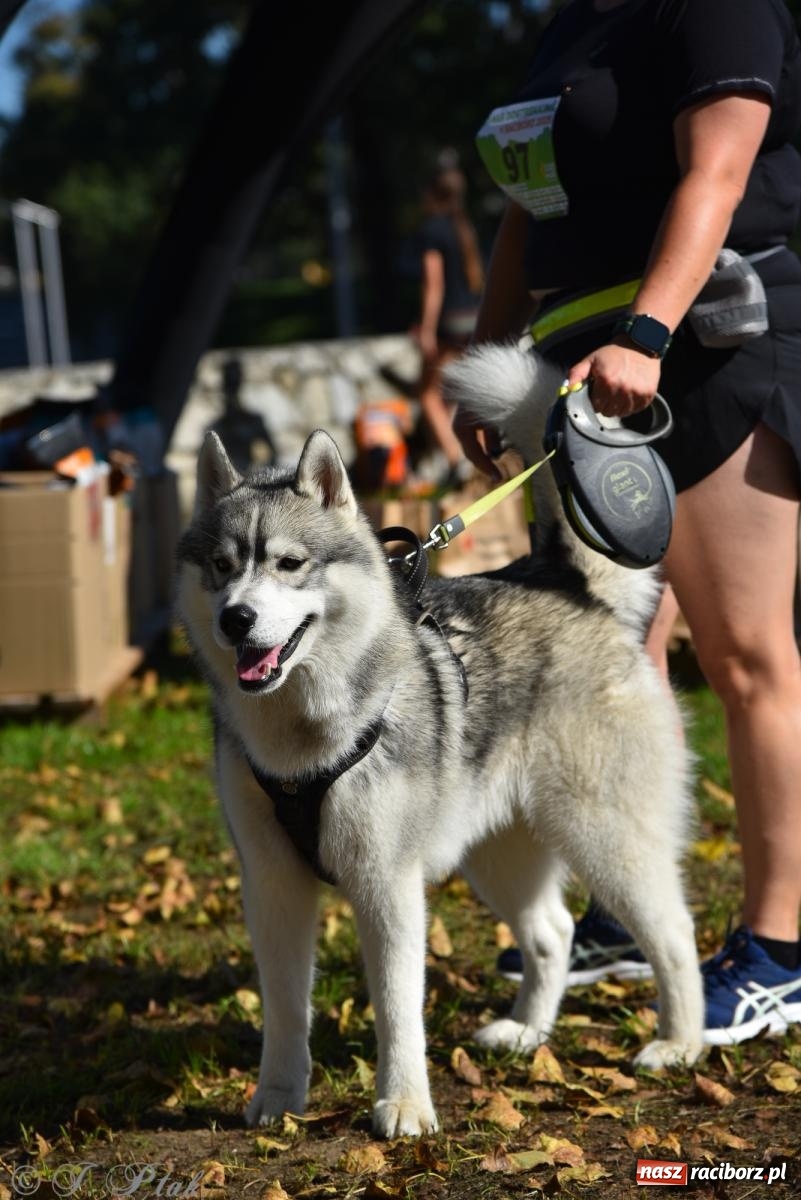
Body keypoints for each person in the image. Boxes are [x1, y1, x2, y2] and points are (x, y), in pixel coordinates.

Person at [456, 0, 801, 1044]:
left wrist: (646, 331)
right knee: (606, 658)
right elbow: (532, 200)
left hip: (698, 346)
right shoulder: (570, 23)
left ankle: (782, 950)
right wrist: (491, 350)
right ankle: (621, 905)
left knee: (746, 656)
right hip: (582, 364)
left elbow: (719, 172)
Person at [414, 154, 484, 485]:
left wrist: (426, 329)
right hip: (472, 316)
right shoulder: (464, 227)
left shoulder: (432, 230)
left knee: (427, 393)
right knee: (459, 392)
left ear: (431, 193)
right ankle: (474, 455)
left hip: (449, 321)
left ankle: (457, 460)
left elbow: (433, 283)